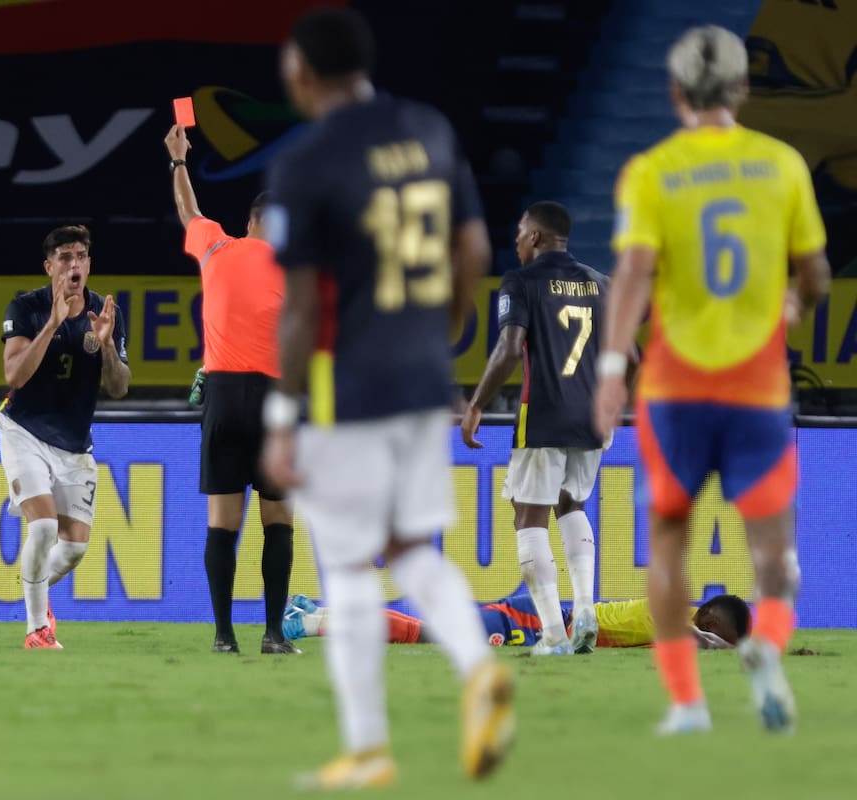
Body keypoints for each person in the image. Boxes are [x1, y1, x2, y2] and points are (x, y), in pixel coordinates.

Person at [260, 8, 514, 788]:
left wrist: (280, 417)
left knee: (345, 567)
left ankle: (368, 748)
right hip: (419, 379)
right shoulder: (431, 130)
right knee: (408, 549)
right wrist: (440, 334)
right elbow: (473, 248)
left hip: (349, 386)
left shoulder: (305, 163)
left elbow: (300, 310)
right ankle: (477, 667)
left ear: (303, 71)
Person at [596, 25, 832, 735]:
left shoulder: (651, 169)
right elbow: (816, 273)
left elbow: (634, 274)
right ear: (742, 88)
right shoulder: (783, 164)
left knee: (668, 541)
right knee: (774, 549)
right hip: (757, 386)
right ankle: (765, 645)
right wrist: (794, 302)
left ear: (673, 93)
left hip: (676, 386)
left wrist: (611, 369)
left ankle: (688, 703)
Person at [163, 123, 298, 656]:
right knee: (278, 518)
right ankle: (272, 635)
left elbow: (188, 212)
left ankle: (223, 635)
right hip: (275, 399)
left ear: (249, 223)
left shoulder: (217, 246)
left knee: (223, 522)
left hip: (221, 396)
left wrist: (178, 161)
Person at [460, 201, 610, 656]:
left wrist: (476, 404)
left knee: (529, 517)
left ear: (538, 238)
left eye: (521, 232)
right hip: (592, 416)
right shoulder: (602, 284)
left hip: (545, 413)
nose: (517, 240)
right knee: (572, 505)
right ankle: (585, 609)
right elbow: (634, 358)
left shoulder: (521, 281)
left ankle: (554, 634)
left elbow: (508, 349)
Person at [0, 224, 130, 649]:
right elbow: (13, 375)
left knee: (73, 550)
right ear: (49, 266)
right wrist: (52, 325)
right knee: (42, 530)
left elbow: (119, 387)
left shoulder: (104, 312)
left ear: (89, 263)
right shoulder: (27, 308)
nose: (75, 264)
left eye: (81, 256)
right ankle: (37, 628)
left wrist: (107, 346)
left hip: (74, 444)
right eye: (65, 257)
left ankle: (32, 591)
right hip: (24, 432)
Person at [282, 592, 750, 650]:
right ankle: (309, 623)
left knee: (425, 631)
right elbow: (688, 639)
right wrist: (722, 645)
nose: (715, 643)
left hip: (538, 619)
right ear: (706, 615)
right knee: (422, 634)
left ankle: (315, 611)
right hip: (530, 620)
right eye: (717, 631)